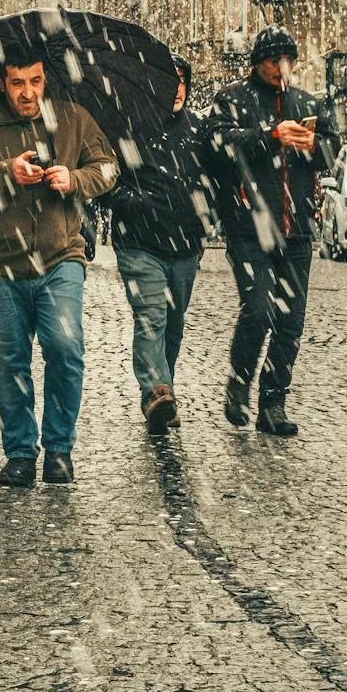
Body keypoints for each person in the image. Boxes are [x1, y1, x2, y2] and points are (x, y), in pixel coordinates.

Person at [0, 46, 119, 486]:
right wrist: (6, 171)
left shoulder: (73, 118)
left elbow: (108, 168)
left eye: (36, 81)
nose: (28, 93)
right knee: (9, 363)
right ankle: (20, 452)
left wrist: (74, 179)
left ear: (46, 80)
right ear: (2, 82)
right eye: (18, 83)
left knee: (65, 348)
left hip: (61, 258)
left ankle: (59, 450)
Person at [204, 25, 336, 438]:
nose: (280, 68)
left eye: (286, 61)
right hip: (248, 226)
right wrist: (270, 136)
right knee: (258, 310)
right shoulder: (232, 99)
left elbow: (331, 152)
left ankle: (273, 402)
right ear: (258, 64)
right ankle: (238, 384)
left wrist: (313, 145)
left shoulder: (307, 103)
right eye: (272, 61)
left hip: (297, 230)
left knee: (290, 323)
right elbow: (217, 144)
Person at [107, 55, 215, 433]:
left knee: (173, 324)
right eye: (171, 80)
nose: (178, 88)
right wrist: (137, 205)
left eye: (183, 80)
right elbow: (105, 182)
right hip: (140, 244)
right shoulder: (130, 127)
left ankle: (160, 394)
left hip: (184, 247)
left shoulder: (198, 130)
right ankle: (156, 390)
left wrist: (203, 222)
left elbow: (212, 181)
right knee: (151, 318)